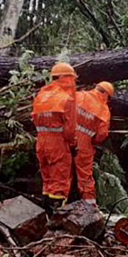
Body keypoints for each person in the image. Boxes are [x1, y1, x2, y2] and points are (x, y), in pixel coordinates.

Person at [31, 62, 77, 213]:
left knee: (48, 178)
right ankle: (57, 217)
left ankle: (45, 214)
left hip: (41, 141)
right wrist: (72, 143)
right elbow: (70, 130)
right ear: (68, 78)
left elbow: (35, 119)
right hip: (57, 143)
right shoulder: (66, 99)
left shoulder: (41, 95)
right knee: (60, 179)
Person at [74, 81, 113, 205]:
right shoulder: (104, 110)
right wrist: (92, 140)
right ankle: (90, 207)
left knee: (60, 171)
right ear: (106, 95)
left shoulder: (79, 95)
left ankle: (55, 207)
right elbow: (102, 134)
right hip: (83, 143)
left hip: (64, 137)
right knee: (85, 177)